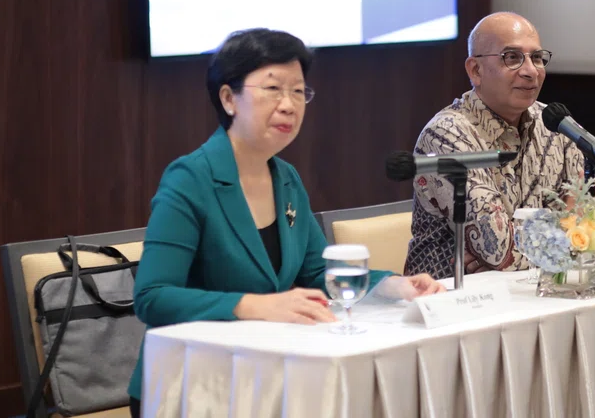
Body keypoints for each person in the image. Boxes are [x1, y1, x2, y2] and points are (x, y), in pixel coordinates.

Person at [127, 28, 444, 417]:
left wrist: (396, 286)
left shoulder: (285, 178)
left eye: (298, 91)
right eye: (274, 89)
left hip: (264, 373)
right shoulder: (190, 179)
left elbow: (316, 269)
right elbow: (153, 297)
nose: (290, 105)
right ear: (229, 98)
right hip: (193, 383)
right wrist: (259, 305)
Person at [403, 12, 595, 280]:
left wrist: (572, 232)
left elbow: (590, 229)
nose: (530, 70)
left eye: (537, 58)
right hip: (450, 302)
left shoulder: (557, 126)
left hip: (535, 293)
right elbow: (499, 251)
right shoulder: (447, 136)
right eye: (512, 58)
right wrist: (567, 230)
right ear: (475, 70)